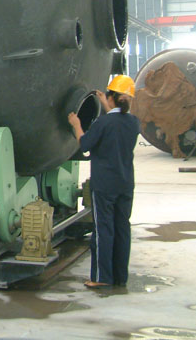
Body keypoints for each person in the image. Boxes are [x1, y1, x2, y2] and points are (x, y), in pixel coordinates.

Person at [67, 74, 140, 289]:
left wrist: (76, 124)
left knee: (103, 230)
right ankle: (119, 277)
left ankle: (101, 277)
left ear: (111, 97)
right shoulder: (133, 123)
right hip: (125, 183)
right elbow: (116, 122)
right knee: (122, 229)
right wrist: (107, 105)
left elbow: (85, 144)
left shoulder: (103, 123)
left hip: (104, 185)